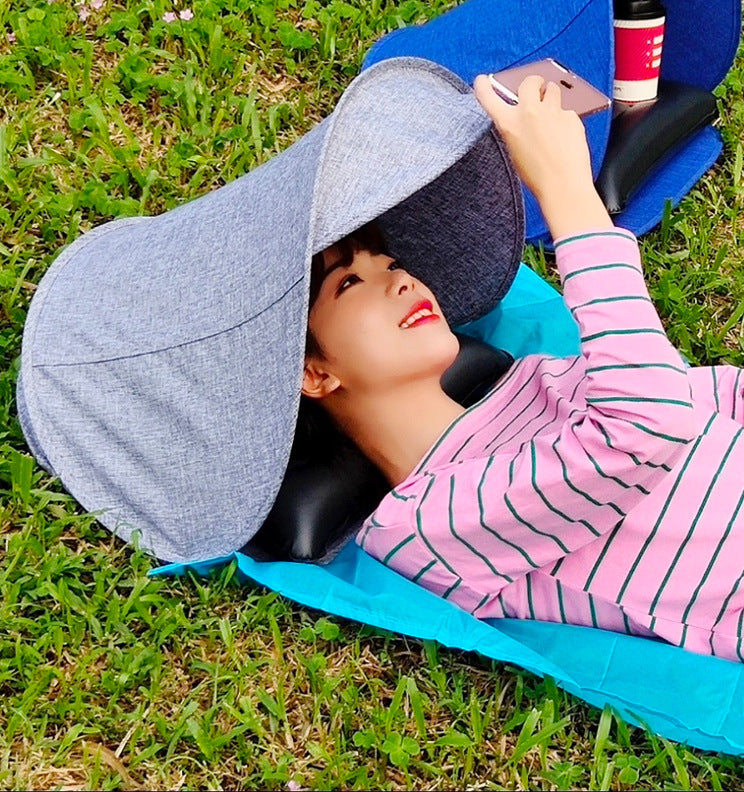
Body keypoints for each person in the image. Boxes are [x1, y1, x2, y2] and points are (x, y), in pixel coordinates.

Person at [300, 73, 744, 663]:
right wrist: (566, 192)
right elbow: (646, 428)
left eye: (392, 264)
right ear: (313, 373)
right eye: (350, 282)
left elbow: (714, 396)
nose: (403, 280)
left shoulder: (535, 380)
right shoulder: (419, 526)